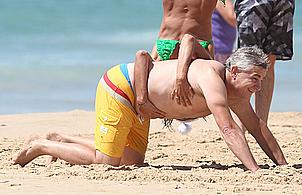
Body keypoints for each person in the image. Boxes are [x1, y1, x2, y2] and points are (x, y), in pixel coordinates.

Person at [13, 46, 287, 172]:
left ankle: (61, 140)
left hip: (143, 104)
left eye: (261, 79)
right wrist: (254, 170)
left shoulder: (237, 93)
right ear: (235, 71)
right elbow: (227, 128)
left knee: (131, 162)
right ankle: (40, 146)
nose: (258, 85)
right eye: (255, 78)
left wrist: (283, 165)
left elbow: (256, 128)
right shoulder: (212, 77)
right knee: (105, 162)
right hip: (122, 87)